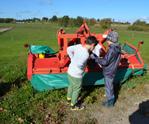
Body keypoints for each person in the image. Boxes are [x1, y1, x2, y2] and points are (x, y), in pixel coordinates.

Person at [67, 36, 98, 110]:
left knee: (71, 85)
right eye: (94, 47)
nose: (94, 49)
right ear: (92, 45)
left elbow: (68, 49)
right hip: (77, 75)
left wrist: (72, 58)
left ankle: (68, 99)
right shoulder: (86, 55)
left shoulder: (79, 46)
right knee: (77, 89)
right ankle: (73, 105)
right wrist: (82, 67)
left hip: (70, 71)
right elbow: (80, 65)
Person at [91, 31, 121, 107]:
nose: (106, 41)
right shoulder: (117, 47)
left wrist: (96, 58)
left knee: (109, 86)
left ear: (110, 40)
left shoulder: (112, 50)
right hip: (112, 69)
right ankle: (110, 98)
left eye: (107, 39)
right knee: (109, 85)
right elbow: (110, 59)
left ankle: (110, 102)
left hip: (109, 71)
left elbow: (105, 62)